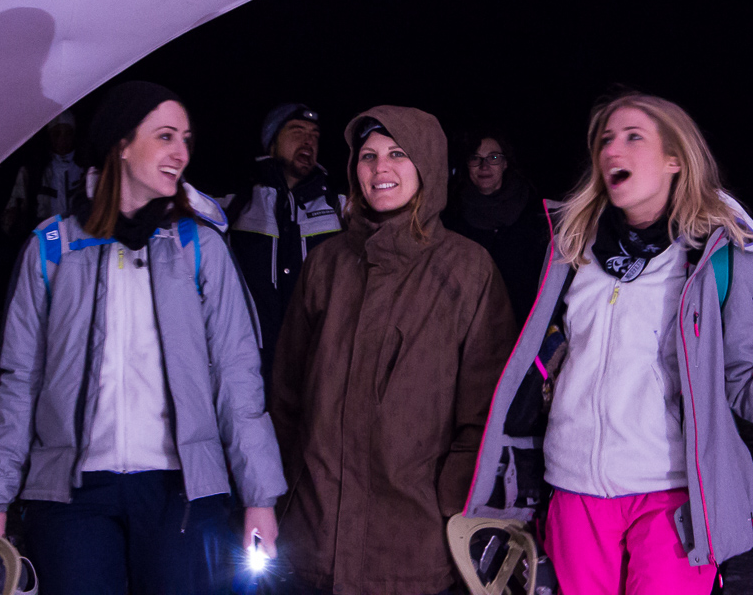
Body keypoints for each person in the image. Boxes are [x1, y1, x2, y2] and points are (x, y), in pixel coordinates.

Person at [462, 93, 753, 595]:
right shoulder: (570, 247)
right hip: (574, 492)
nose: (613, 150)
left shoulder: (717, 259)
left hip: (670, 495)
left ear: (674, 159)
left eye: (633, 137)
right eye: (606, 140)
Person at [0, 82, 287, 595]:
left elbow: (238, 379)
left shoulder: (199, 247)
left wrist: (259, 497)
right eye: (165, 136)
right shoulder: (52, 248)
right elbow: (20, 381)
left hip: (181, 492)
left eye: (185, 139)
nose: (181, 152)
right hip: (70, 496)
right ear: (121, 143)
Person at [270, 105, 519, 595]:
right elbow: (286, 396)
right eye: (368, 156)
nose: (380, 167)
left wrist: (450, 505)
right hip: (314, 541)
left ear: (426, 164)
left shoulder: (468, 269)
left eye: (397, 153)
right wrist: (282, 495)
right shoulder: (325, 265)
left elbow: (489, 411)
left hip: (414, 549)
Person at [223, 103, 344, 401]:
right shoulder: (237, 202)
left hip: (317, 370)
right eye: (297, 132)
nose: (308, 141)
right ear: (272, 143)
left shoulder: (339, 207)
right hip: (252, 370)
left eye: (314, 135)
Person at [443, 131, 550, 324]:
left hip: (523, 321)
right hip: (469, 321)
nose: (484, 166)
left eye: (493, 157)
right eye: (475, 158)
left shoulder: (533, 211)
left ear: (505, 163)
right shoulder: (451, 214)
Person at [1, 111, 84, 237]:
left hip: (76, 237)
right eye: (57, 134)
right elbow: (12, 212)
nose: (62, 140)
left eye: (68, 134)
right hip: (42, 238)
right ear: (49, 135)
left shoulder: (84, 169)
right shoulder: (33, 170)